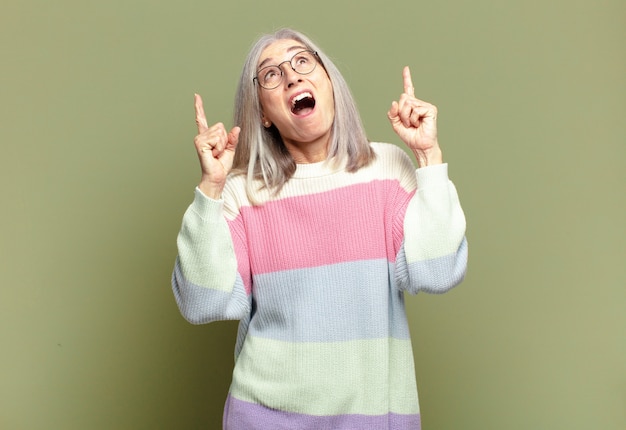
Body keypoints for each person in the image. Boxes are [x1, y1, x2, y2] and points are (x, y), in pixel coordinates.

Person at [172, 28, 468, 430]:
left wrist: (428, 156)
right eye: (271, 75)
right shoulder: (241, 192)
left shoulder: (388, 169)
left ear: (329, 81)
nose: (292, 76)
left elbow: (437, 273)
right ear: (262, 112)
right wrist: (211, 188)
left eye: (302, 62)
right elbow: (201, 303)